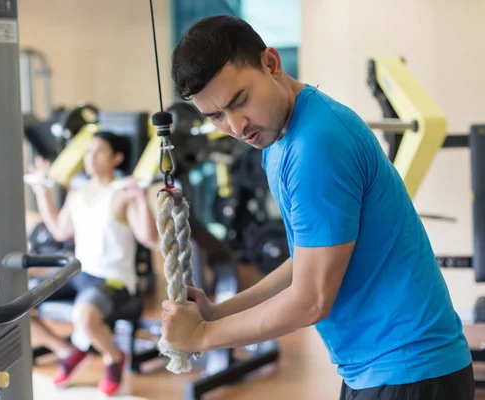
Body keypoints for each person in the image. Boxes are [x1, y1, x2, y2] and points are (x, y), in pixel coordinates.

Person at [161, 15, 474, 400]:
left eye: (239, 101)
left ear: (271, 63)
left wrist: (203, 336)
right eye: (215, 116)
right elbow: (305, 263)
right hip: (380, 367)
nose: (236, 125)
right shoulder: (279, 140)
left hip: (409, 370)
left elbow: (311, 301)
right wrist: (218, 313)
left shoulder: (316, 145)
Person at [28, 131, 157, 395]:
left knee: (83, 316)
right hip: (78, 272)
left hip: (113, 278)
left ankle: (114, 357)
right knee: (15, 302)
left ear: (117, 158)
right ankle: (67, 350)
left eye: (99, 151)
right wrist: (42, 192)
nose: (90, 157)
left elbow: (149, 237)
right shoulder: (78, 191)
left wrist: (141, 198)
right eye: (89, 151)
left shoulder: (123, 193)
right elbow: (60, 232)